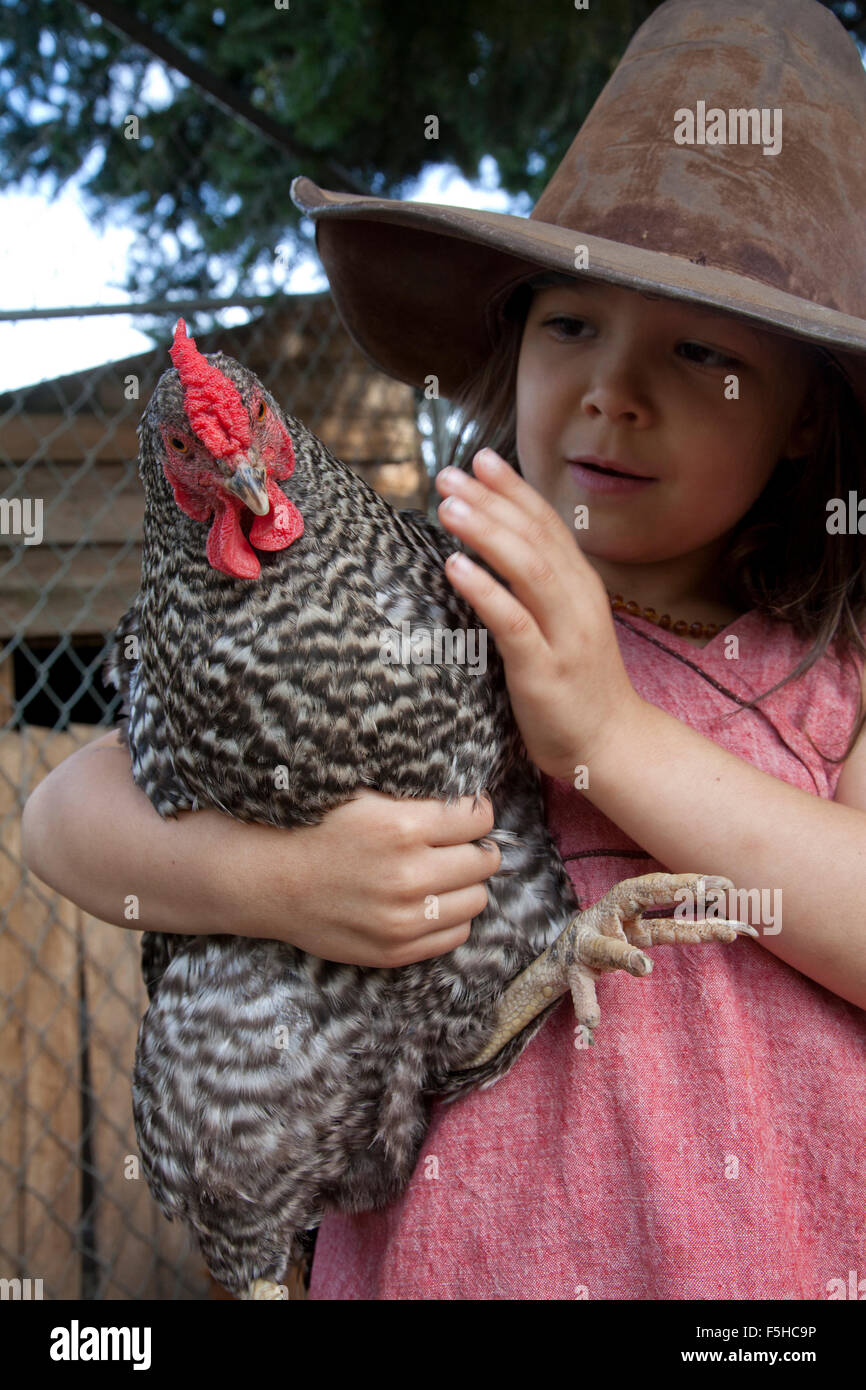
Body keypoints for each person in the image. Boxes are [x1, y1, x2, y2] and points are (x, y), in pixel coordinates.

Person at [23, 0, 866, 1299]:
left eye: (698, 351)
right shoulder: (423, 598)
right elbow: (64, 819)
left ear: (805, 420)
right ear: (508, 344)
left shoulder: (836, 674)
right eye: (568, 325)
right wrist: (282, 882)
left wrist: (608, 738)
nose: (608, 390)